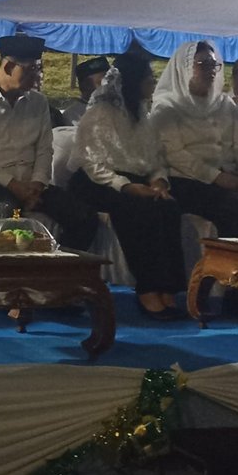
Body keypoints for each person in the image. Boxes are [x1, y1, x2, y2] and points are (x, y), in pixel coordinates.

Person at [68, 52, 187, 319]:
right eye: (148, 78)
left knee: (168, 207)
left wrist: (159, 181)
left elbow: (154, 159)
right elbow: (92, 163)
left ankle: (168, 289)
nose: (153, 83)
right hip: (97, 181)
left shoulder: (143, 114)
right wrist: (126, 186)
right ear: (133, 82)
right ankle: (147, 289)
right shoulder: (100, 113)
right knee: (138, 208)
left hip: (134, 179)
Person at [0, 34, 98, 249]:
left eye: (39, 69)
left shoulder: (38, 102)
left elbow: (44, 148)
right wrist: (14, 186)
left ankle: (60, 267)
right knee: (6, 219)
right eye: (31, 70)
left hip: (30, 183)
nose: (37, 77)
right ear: (9, 67)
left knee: (85, 217)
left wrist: (36, 185)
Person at [149, 40, 238, 238]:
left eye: (214, 64)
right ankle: (227, 258)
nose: (211, 71)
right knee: (236, 211)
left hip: (228, 177)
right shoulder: (167, 108)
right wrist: (217, 177)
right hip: (187, 180)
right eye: (203, 64)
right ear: (185, 67)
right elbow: (174, 154)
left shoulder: (224, 104)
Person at [61, 56, 109, 126]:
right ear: (85, 85)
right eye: (100, 82)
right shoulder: (72, 115)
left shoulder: (118, 108)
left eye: (109, 81)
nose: (106, 86)